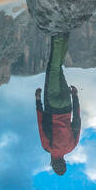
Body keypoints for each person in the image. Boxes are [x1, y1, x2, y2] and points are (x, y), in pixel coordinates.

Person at [35, 33, 81, 176]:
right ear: (53, 163)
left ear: (64, 162)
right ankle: (59, 35)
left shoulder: (72, 146)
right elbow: (41, 123)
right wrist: (38, 101)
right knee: (53, 68)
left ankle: (65, 36)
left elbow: (77, 121)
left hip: (67, 105)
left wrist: (75, 97)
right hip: (52, 104)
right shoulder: (47, 147)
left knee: (58, 68)